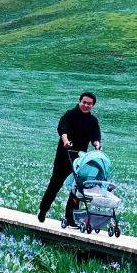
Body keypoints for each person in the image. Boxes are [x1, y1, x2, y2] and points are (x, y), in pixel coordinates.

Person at [37, 92, 102, 222]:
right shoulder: (70, 114)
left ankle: (71, 217)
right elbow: (62, 129)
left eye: (89, 104)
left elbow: (96, 137)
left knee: (76, 188)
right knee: (55, 184)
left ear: (92, 105)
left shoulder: (93, 121)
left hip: (80, 159)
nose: (86, 105)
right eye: (84, 102)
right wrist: (66, 141)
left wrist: (97, 145)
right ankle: (43, 210)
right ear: (80, 102)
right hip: (64, 156)